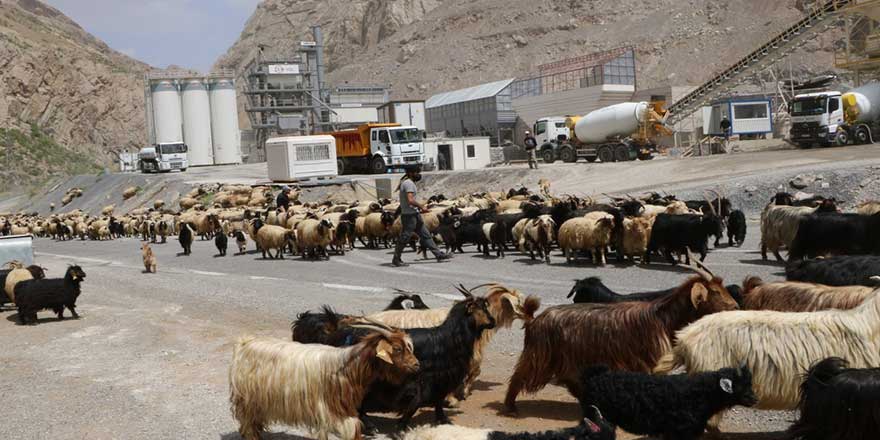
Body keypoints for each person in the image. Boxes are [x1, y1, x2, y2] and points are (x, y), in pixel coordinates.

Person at [392, 164, 450, 267]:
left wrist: (419, 209)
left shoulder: (408, 182)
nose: (418, 174)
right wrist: (421, 206)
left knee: (425, 234)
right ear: (410, 173)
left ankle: (438, 254)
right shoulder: (408, 183)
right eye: (416, 172)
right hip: (409, 216)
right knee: (405, 237)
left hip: (414, 214)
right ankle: (396, 259)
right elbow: (410, 200)